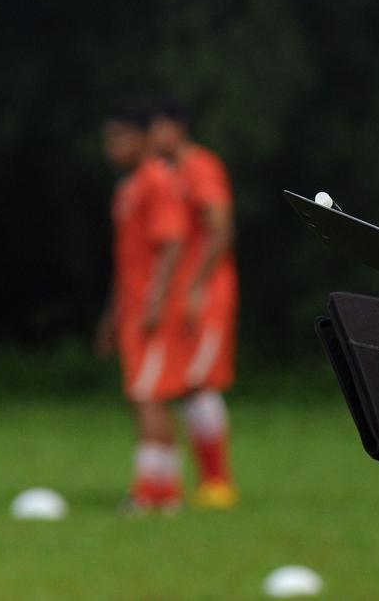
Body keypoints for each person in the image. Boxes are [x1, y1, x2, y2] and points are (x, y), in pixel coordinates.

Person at [95, 100, 189, 514]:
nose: (111, 148)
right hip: (131, 309)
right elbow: (126, 259)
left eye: (120, 139)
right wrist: (112, 315)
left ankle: (157, 493)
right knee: (141, 396)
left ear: (142, 139)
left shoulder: (156, 181)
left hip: (154, 310)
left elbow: (171, 245)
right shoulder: (128, 188)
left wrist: (155, 300)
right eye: (108, 141)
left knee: (151, 397)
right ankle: (159, 492)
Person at [147, 96, 240, 510]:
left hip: (206, 291)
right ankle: (201, 481)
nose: (150, 136)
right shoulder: (164, 174)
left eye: (155, 127)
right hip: (182, 292)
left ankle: (218, 483)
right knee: (185, 383)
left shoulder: (200, 167)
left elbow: (220, 230)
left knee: (198, 382)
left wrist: (197, 286)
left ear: (175, 127)